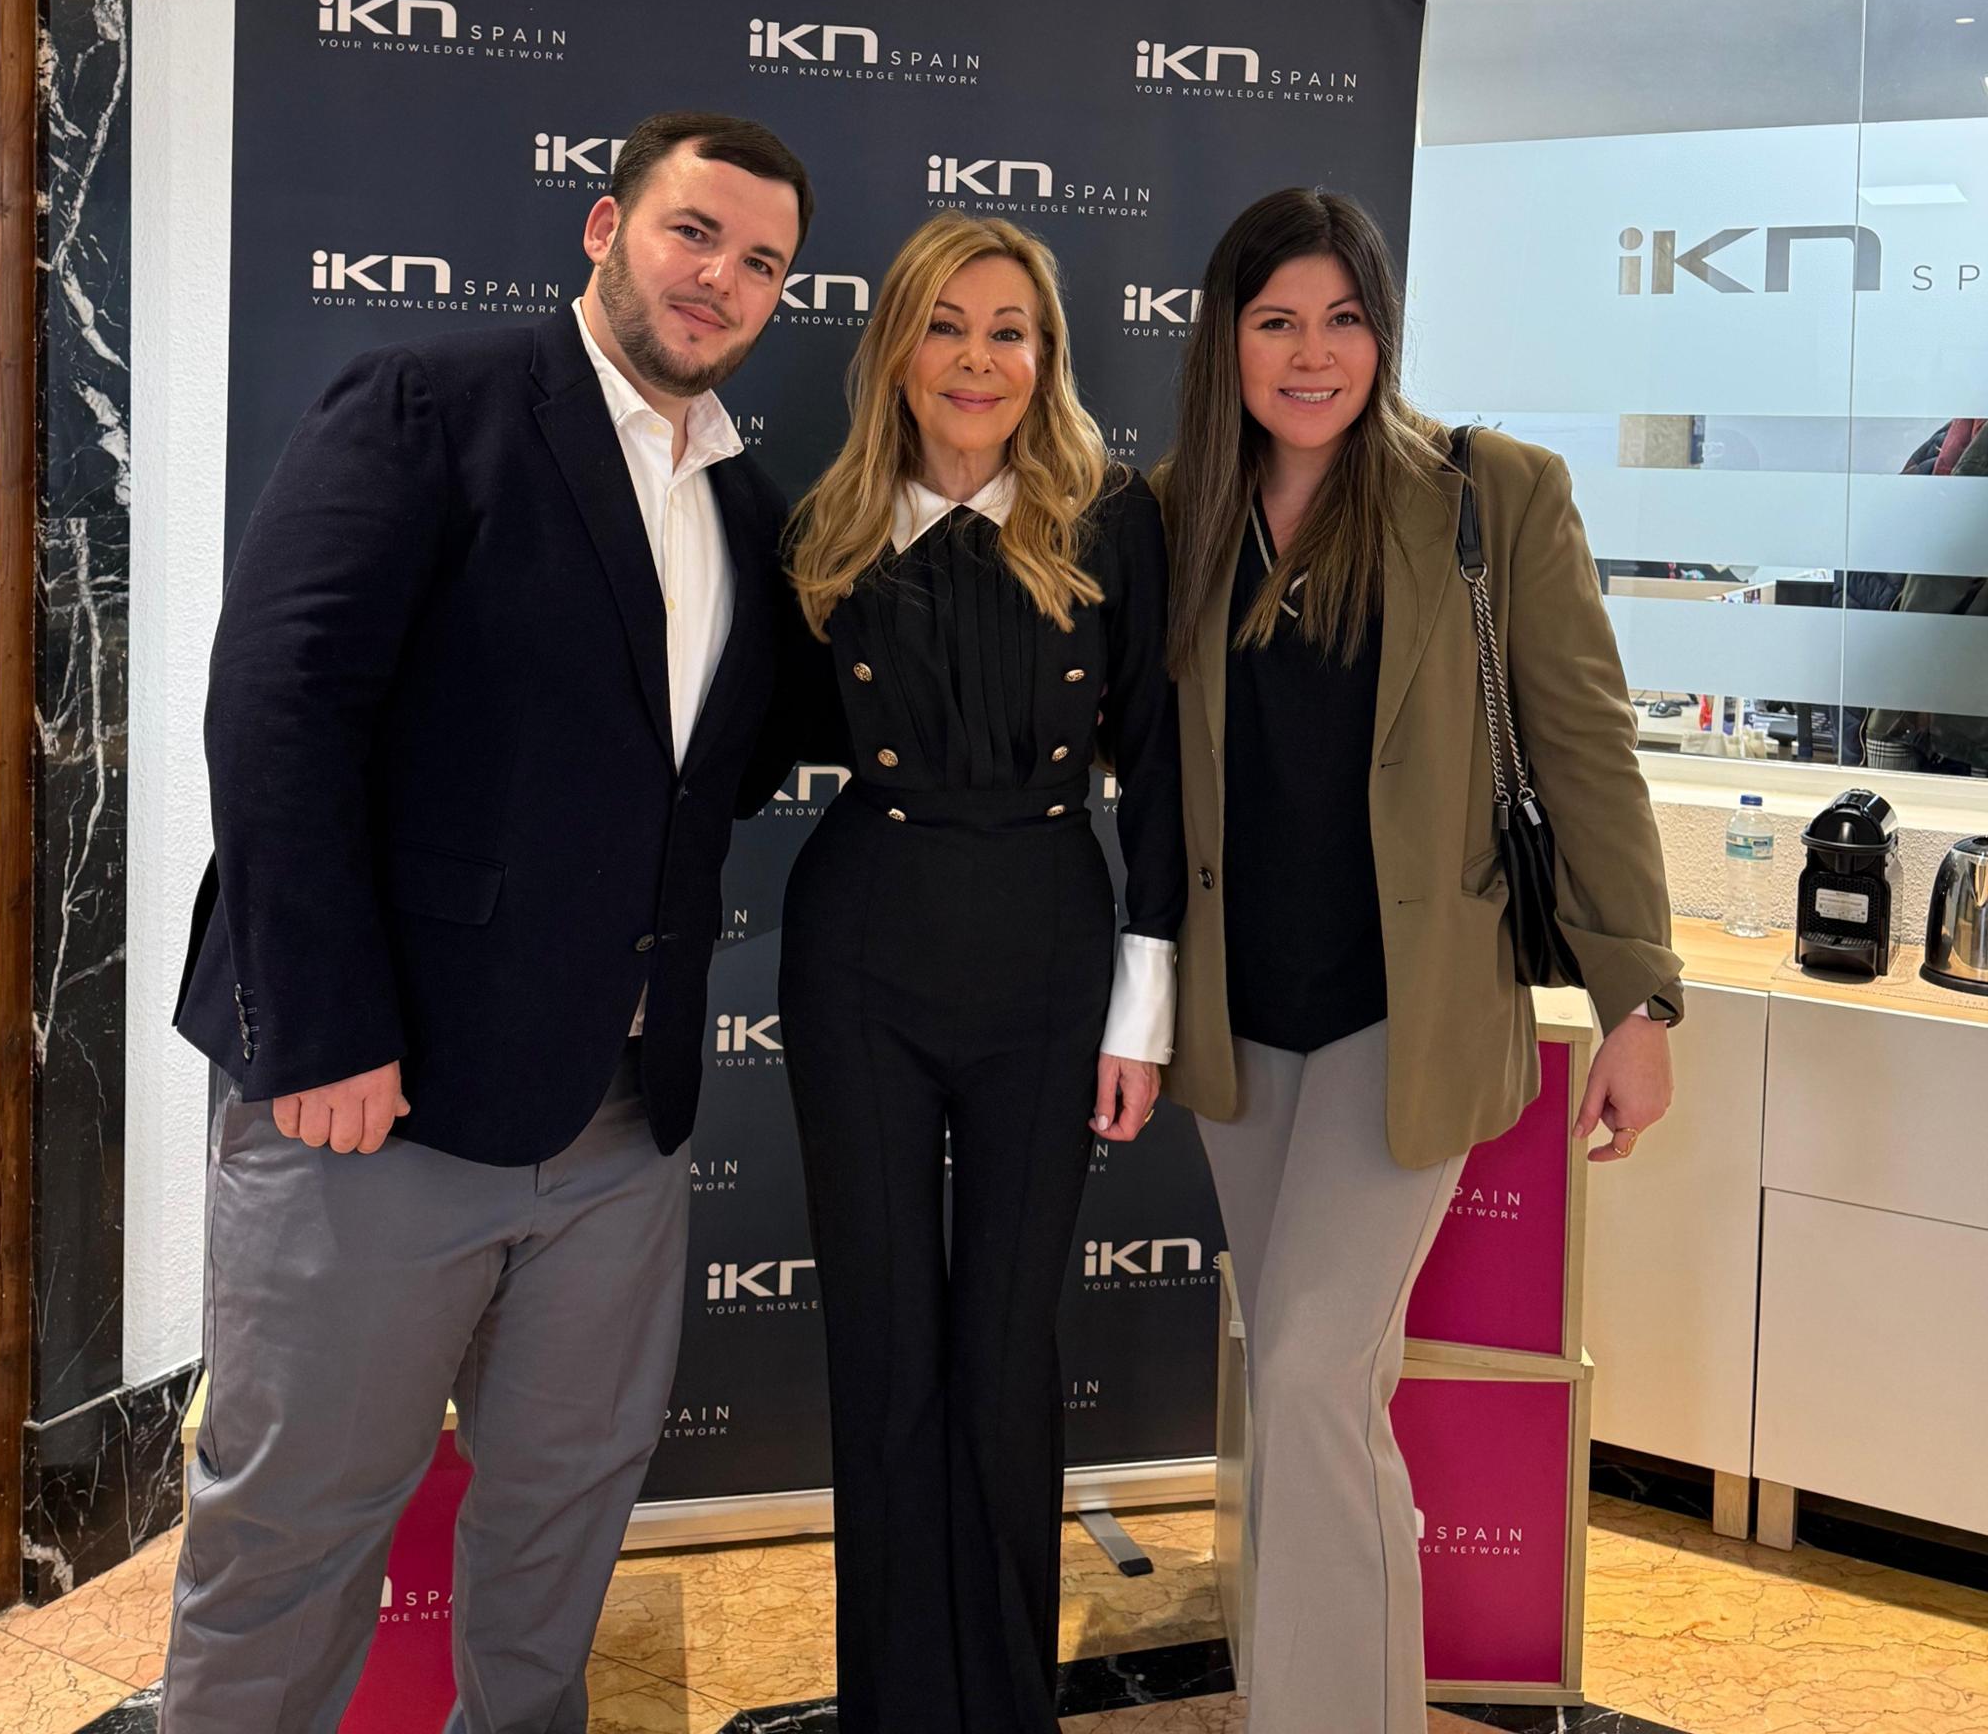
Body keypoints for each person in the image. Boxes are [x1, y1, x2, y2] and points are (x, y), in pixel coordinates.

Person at [164, 110, 812, 1734]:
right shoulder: (427, 404)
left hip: (622, 1123)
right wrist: (323, 1033)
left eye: (761, 262)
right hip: (375, 1106)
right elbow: (279, 710)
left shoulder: (750, 505)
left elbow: (707, 779)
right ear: (605, 227)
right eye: (692, 232)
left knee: (561, 1524)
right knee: (295, 1526)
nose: (720, 279)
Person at [1154, 187, 1682, 1734]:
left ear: (1384, 332)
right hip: (1239, 1026)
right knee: (1320, 1396)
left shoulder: (1488, 496)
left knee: (1311, 1377)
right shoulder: (1179, 512)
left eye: (1343, 320)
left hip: (1412, 1019)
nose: (1311, 355)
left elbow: (1585, 750)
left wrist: (1639, 999)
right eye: (1276, 321)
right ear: (1227, 338)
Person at [778, 212, 1186, 1734]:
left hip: (1050, 959)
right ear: (896, 347)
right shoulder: (825, 526)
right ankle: (893, 1708)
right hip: (860, 956)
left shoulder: (1112, 521)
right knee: (884, 1348)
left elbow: (1162, 773)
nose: (976, 358)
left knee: (1009, 1349)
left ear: (1048, 355)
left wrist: (1143, 1013)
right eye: (945, 326)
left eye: (1008, 329)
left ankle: (1006, 1709)